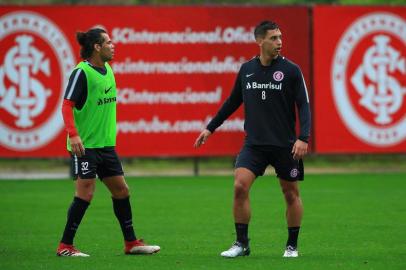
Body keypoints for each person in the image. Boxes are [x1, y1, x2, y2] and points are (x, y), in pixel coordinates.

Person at [194, 21, 311, 258]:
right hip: (254, 144)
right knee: (239, 186)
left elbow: (304, 105)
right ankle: (241, 244)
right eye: (273, 38)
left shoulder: (291, 70)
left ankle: (291, 246)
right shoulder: (247, 69)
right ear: (260, 41)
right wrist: (210, 128)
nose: (279, 42)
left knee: (290, 194)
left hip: (284, 145)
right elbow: (232, 101)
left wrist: (303, 137)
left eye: (280, 37)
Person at [56, 28, 160, 257]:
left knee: (121, 190)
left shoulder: (108, 70)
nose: (113, 45)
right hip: (85, 147)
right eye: (108, 42)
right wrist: (73, 134)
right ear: (96, 46)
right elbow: (66, 105)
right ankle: (65, 246)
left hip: (105, 146)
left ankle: (131, 243)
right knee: (86, 193)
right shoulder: (81, 72)